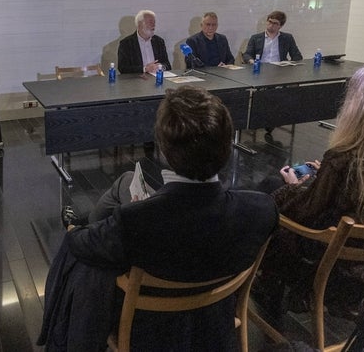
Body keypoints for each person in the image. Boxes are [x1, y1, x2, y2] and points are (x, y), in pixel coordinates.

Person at [38, 86, 278, 351]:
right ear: (227, 145)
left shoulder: (136, 220)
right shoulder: (262, 209)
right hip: (214, 320)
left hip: (148, 324)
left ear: (164, 150)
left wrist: (73, 228)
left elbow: (80, 244)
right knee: (126, 185)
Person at [255, 61, 364, 317]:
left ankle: (265, 286)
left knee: (270, 194)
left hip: (334, 272)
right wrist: (325, 177)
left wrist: (293, 188)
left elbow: (303, 214)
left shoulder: (343, 159)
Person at [117, 9, 172, 74]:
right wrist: (145, 68)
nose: (153, 25)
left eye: (154, 22)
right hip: (136, 81)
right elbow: (122, 68)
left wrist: (161, 67)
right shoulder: (126, 43)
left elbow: (167, 65)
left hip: (157, 79)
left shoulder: (159, 41)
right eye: (150, 22)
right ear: (139, 24)